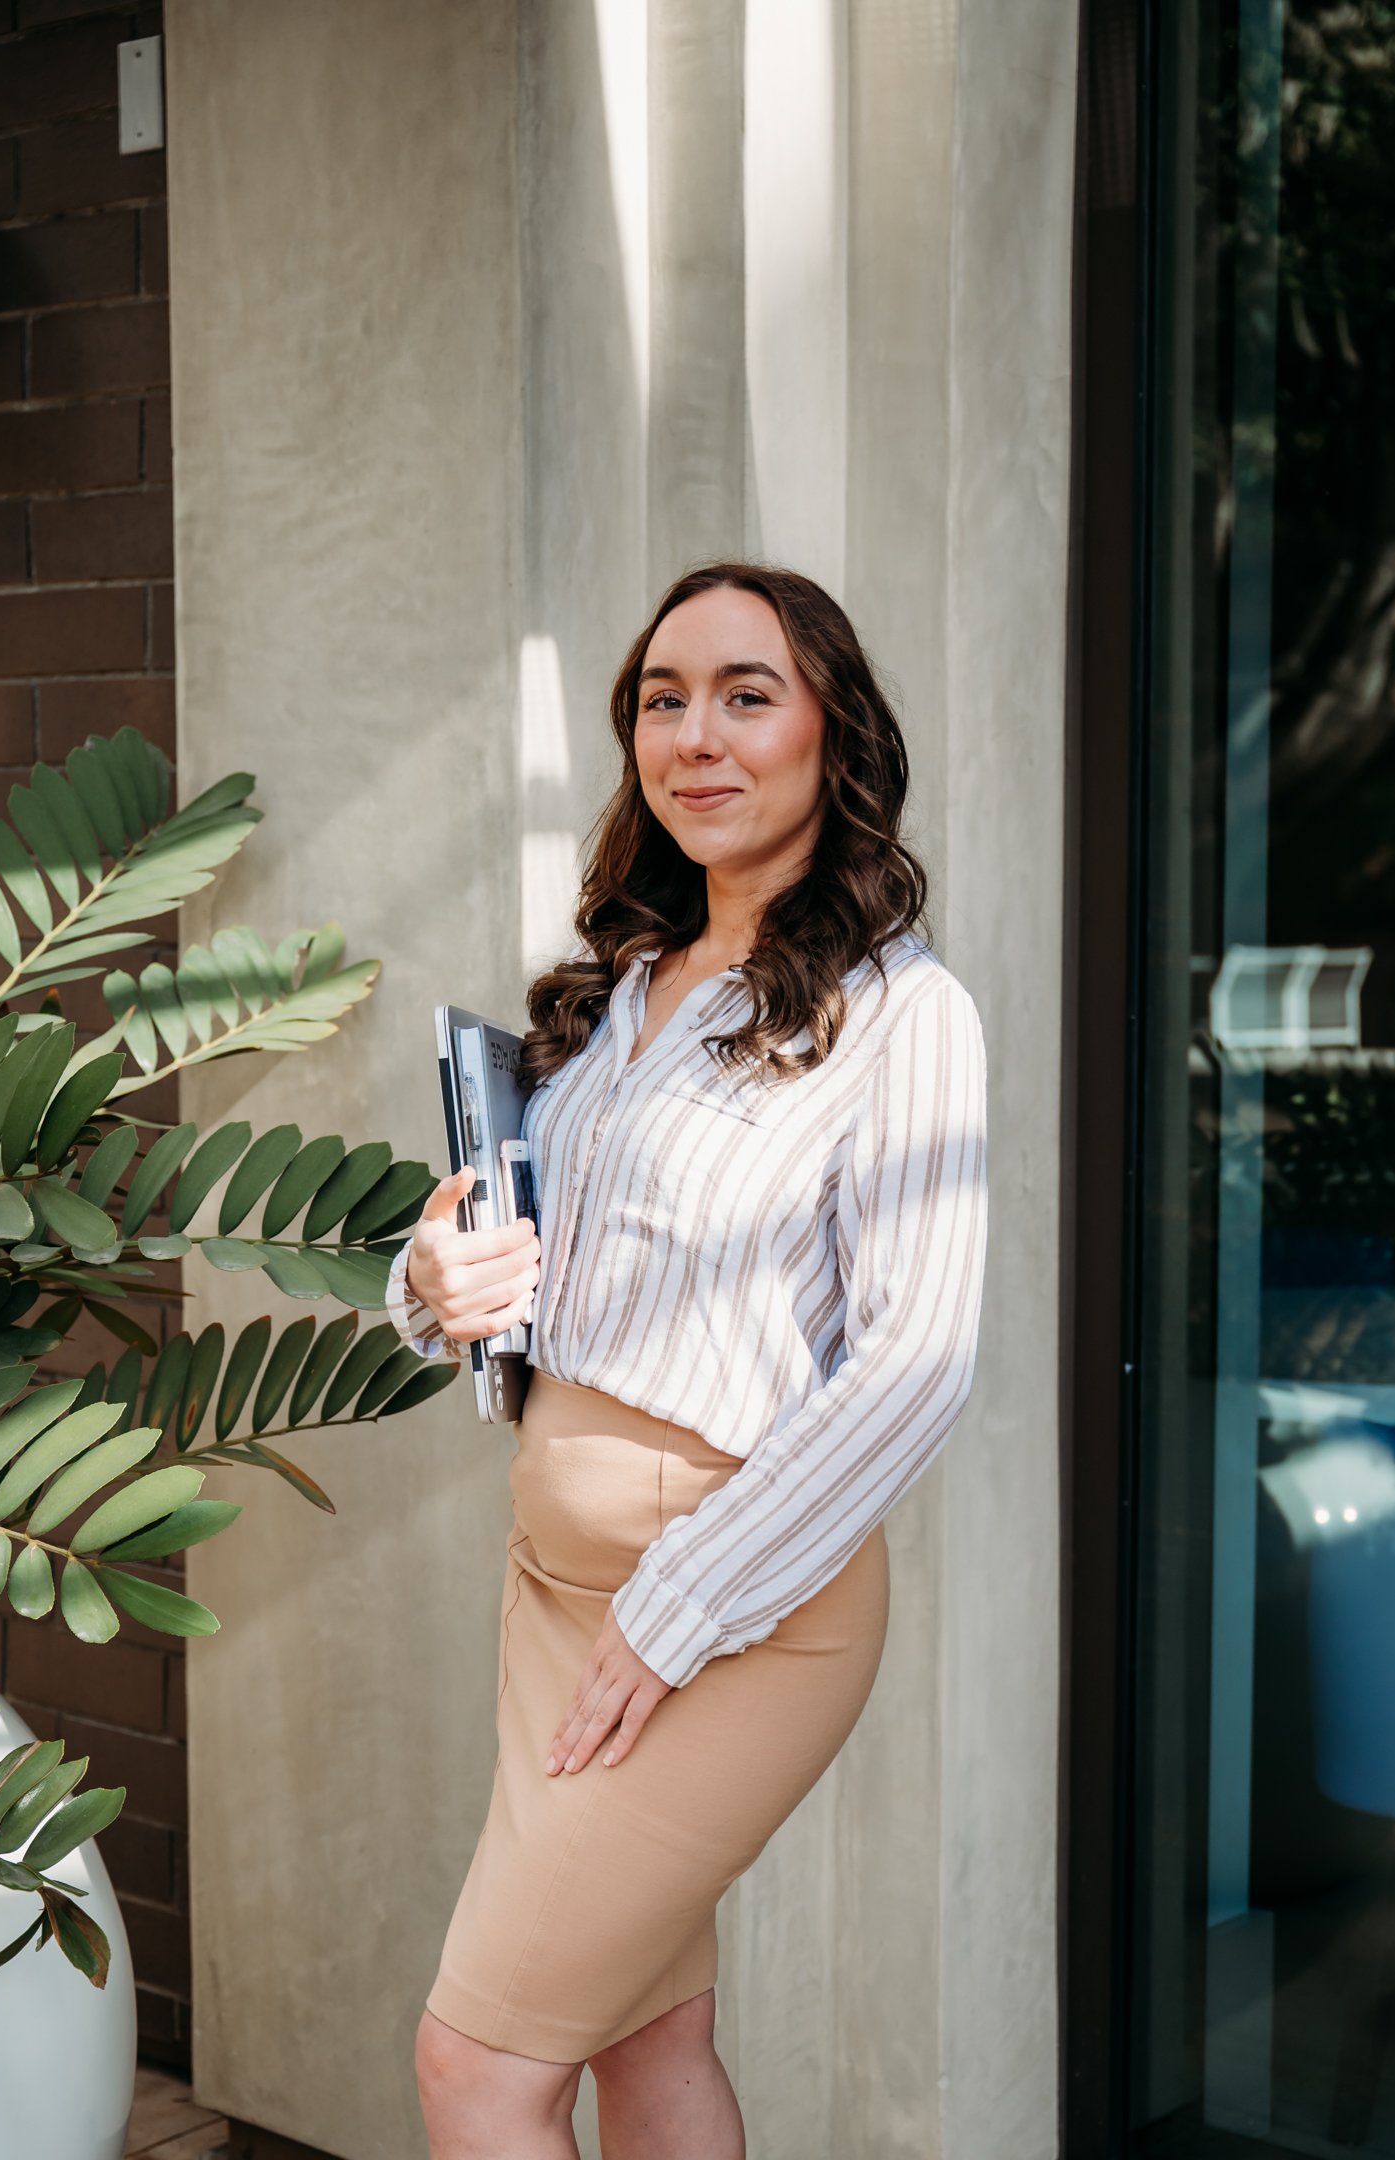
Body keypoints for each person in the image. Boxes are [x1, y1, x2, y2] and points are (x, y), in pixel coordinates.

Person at [387, 561, 990, 2160]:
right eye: (664, 698)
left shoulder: (900, 1014)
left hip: (734, 1608)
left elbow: (918, 1358)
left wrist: (676, 1612)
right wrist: (430, 1280)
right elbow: (534, 1274)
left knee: (474, 2070)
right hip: (552, 1591)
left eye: (747, 693)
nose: (696, 736)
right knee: (647, 2043)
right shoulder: (617, 996)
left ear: (829, 735)